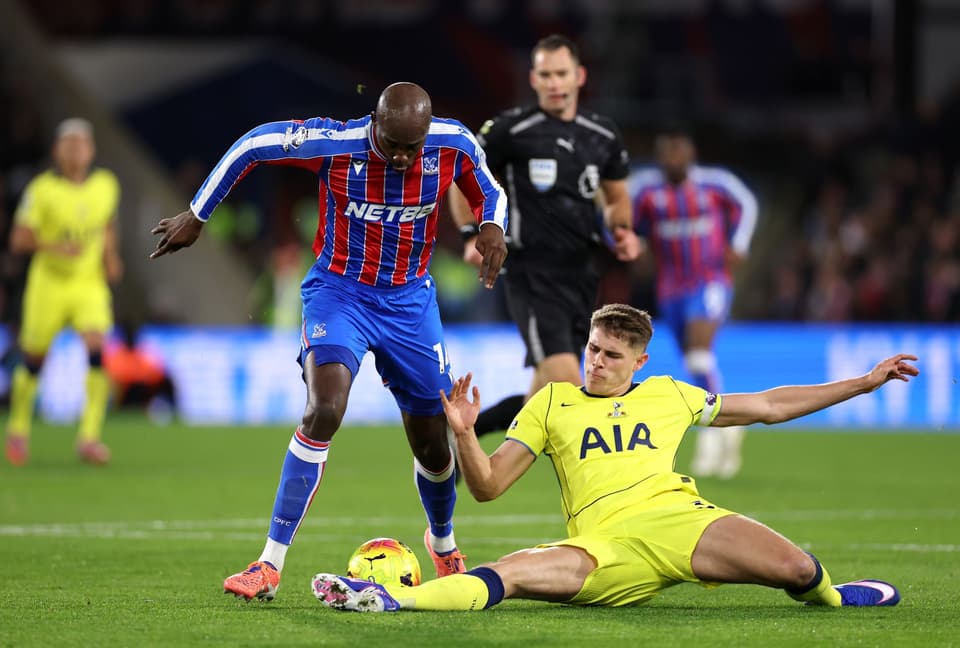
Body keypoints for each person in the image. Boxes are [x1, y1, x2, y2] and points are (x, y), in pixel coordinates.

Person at [312, 303, 914, 613]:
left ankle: (837, 596)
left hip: (681, 520)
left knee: (799, 571)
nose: (596, 362)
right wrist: (466, 435)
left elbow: (768, 406)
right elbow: (488, 487)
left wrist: (861, 383)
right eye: (592, 349)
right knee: (512, 573)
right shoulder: (553, 403)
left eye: (610, 356)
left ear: (639, 362)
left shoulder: (670, 395)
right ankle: (391, 599)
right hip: (604, 547)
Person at [150, 82, 508, 601]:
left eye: (414, 146)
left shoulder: (452, 142)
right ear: (375, 124)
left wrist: (492, 226)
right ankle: (269, 565)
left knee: (434, 439)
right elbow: (253, 145)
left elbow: (490, 190)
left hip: (409, 302)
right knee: (325, 408)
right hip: (339, 293)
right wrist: (198, 214)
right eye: (394, 145)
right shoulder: (333, 144)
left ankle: (444, 543)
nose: (405, 158)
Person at [448, 34, 640, 439]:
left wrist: (622, 230)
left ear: (579, 76)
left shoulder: (602, 135)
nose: (555, 83)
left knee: (546, 398)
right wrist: (471, 234)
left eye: (562, 74)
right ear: (533, 79)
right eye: (546, 74)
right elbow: (462, 179)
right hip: (531, 273)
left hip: (583, 273)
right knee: (573, 387)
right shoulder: (510, 130)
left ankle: (464, 438)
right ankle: (599, 492)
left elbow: (617, 198)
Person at [631, 123, 758, 479]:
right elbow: (620, 218)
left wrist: (740, 242)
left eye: (679, 150)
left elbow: (747, 203)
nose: (674, 158)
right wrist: (632, 242)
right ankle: (730, 421)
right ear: (660, 158)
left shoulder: (715, 183)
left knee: (701, 352)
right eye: (667, 152)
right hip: (671, 286)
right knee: (693, 359)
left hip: (710, 280)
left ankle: (712, 432)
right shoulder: (646, 192)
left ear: (691, 154)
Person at [4, 117, 123, 466]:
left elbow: (107, 224)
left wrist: (110, 257)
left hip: (88, 283)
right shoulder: (41, 190)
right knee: (34, 361)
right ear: (57, 151)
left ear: (92, 150)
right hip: (49, 284)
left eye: (82, 144)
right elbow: (18, 239)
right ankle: (19, 425)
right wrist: (54, 247)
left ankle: (89, 437)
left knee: (98, 350)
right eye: (69, 144)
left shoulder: (105, 185)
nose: (76, 150)